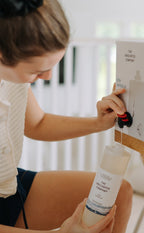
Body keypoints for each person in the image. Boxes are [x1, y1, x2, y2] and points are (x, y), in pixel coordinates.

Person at [0, 0, 133, 233]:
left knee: (118, 194)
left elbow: (37, 123)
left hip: (7, 182)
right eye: (37, 71)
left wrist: (98, 123)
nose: (49, 76)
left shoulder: (12, 75)